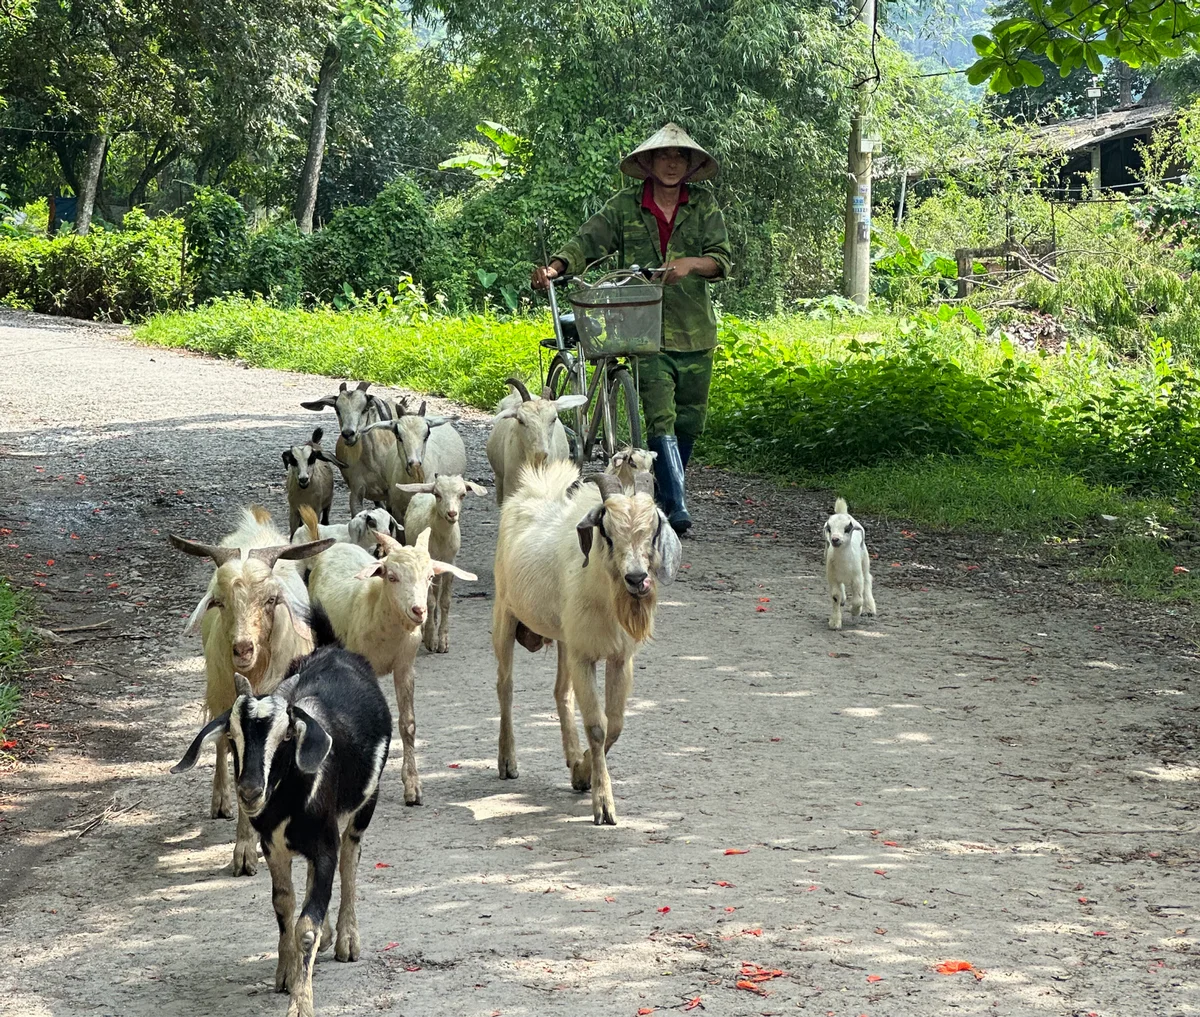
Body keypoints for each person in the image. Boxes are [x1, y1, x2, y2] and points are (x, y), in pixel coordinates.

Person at [531, 123, 732, 536]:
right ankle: (675, 509)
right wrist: (556, 267)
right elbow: (587, 242)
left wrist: (691, 264)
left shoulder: (704, 206)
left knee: (690, 422)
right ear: (649, 163)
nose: (672, 163)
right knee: (661, 417)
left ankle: (664, 492)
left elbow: (722, 260)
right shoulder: (625, 206)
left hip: (695, 331)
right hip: (643, 328)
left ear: (691, 165)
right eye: (664, 156)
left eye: (680, 157)